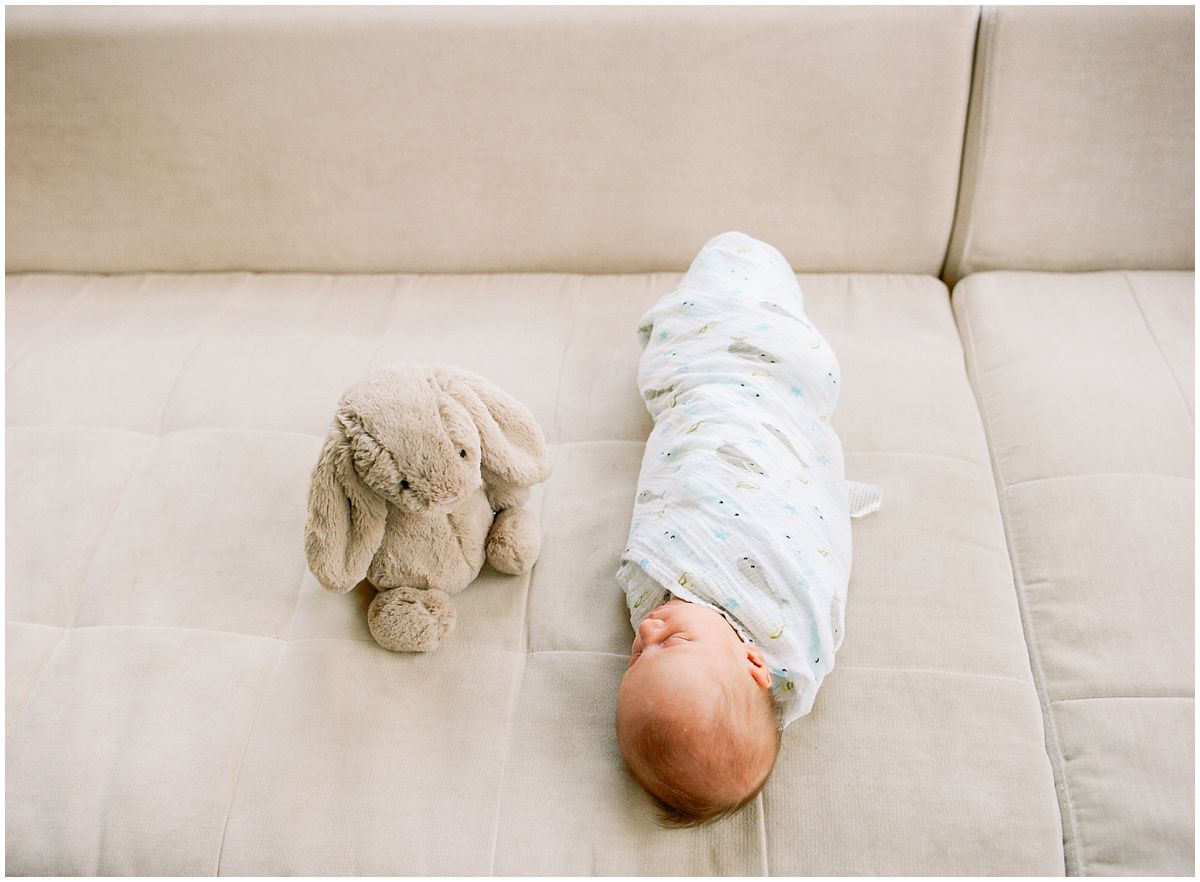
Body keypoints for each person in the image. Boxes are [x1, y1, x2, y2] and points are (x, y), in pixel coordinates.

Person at [614, 231, 879, 826]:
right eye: (671, 642)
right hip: (761, 403)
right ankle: (752, 282)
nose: (649, 627)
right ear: (756, 664)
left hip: (700, 408)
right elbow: (808, 528)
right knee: (752, 342)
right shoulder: (788, 618)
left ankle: (728, 282)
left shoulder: (660, 601)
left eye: (635, 656)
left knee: (683, 366)